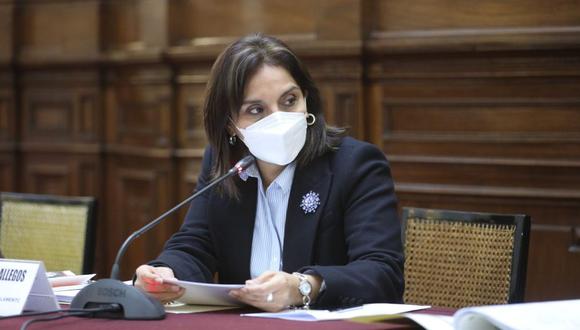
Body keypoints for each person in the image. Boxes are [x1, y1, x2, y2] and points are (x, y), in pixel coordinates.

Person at [134, 33, 404, 312]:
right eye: (256, 110)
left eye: (289, 101)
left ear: (306, 99)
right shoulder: (226, 166)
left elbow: (382, 273)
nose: (278, 118)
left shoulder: (355, 164)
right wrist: (165, 273)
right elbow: (195, 244)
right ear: (230, 125)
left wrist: (300, 287)